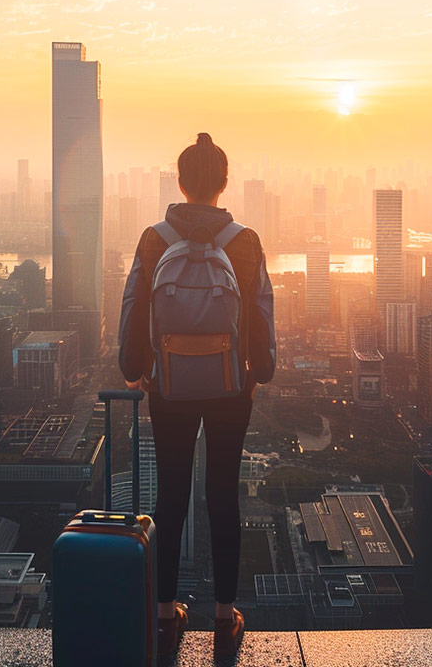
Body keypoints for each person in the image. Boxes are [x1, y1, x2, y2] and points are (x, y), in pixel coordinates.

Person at [119, 132, 276, 659]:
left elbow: (134, 308)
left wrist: (137, 369)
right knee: (223, 493)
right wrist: (258, 371)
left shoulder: (153, 238)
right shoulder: (245, 239)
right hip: (231, 387)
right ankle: (225, 618)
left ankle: (165, 616)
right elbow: (261, 313)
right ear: (223, 182)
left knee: (171, 494)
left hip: (170, 387)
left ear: (181, 182)